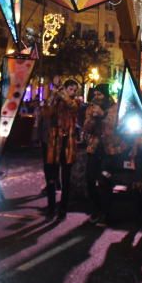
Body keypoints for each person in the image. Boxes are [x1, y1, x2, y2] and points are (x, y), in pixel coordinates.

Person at [42, 79, 80, 217]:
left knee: (66, 178)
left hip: (68, 144)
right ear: (65, 88)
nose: (73, 92)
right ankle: (51, 207)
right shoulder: (56, 102)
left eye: (74, 90)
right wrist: (52, 97)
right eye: (70, 89)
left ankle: (63, 208)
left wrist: (63, 95)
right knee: (51, 177)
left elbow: (73, 107)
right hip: (54, 143)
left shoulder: (76, 101)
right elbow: (46, 113)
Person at [82, 84, 112, 223]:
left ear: (105, 95)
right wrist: (93, 119)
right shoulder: (91, 107)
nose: (96, 97)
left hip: (108, 149)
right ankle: (96, 208)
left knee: (104, 181)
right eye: (95, 94)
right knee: (89, 179)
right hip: (94, 148)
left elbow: (115, 125)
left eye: (99, 94)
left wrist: (103, 115)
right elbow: (86, 127)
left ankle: (105, 213)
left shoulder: (113, 107)